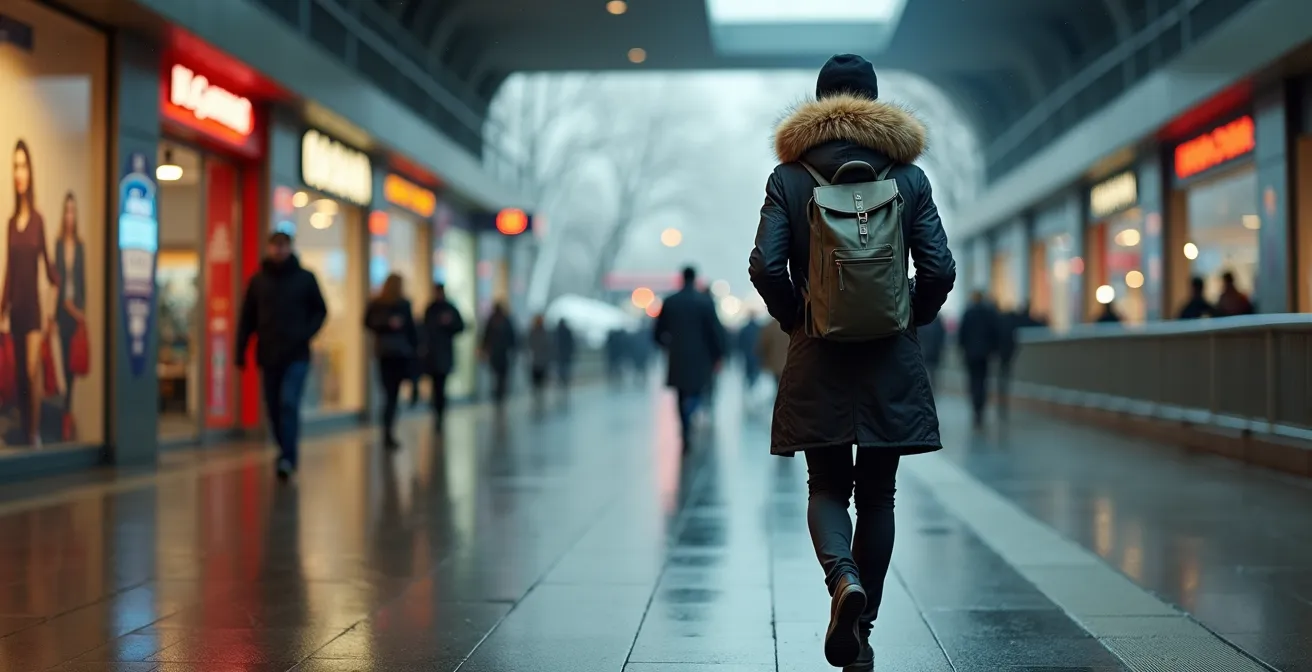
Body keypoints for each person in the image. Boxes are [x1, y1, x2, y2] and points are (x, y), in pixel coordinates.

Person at [748, 54, 955, 671]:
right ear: (874, 102)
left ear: (819, 104)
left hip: (819, 352)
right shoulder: (909, 177)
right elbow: (940, 268)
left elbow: (764, 265)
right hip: (890, 355)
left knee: (827, 485)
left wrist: (797, 319)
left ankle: (843, 582)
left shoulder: (789, 177)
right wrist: (908, 315)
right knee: (880, 495)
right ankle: (862, 626)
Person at [236, 231, 328, 480]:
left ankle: (288, 458)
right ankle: (283, 450)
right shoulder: (258, 281)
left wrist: (305, 333)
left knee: (288, 403)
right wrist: (240, 350)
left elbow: (320, 310)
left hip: (296, 354)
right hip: (269, 354)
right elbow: (247, 319)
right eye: (274, 246)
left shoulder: (305, 279)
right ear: (268, 248)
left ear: (290, 248)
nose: (279, 250)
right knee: (274, 407)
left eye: (283, 246)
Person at [2, 140, 59, 448]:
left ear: (30, 171)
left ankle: (34, 436)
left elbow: (52, 274)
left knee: (31, 369)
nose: (19, 172)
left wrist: (50, 314)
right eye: (15, 166)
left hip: (35, 312)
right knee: (18, 378)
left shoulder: (38, 220)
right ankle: (25, 433)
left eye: (23, 166)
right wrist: (1, 311)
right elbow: (9, 272)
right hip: (17, 311)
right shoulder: (11, 223)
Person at [654, 266, 725, 449]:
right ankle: (690, 414)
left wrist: (667, 346)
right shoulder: (704, 302)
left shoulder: (670, 302)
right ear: (695, 279)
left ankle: (684, 428)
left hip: (676, 356)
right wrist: (717, 355)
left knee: (680, 393)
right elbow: (714, 332)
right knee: (697, 390)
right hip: (700, 357)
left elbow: (657, 332)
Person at [364, 274, 419, 449]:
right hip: (391, 354)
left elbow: (411, 330)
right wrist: (388, 323)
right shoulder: (380, 304)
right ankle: (387, 431)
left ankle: (388, 430)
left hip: (393, 354)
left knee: (390, 395)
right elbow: (368, 323)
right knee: (390, 395)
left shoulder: (402, 304)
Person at [53, 192, 86, 439]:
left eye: (73, 211)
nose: (69, 217)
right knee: (62, 364)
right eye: (67, 211)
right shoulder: (57, 245)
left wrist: (81, 311)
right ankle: (63, 415)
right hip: (61, 313)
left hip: (76, 314)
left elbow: (82, 281)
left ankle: (68, 415)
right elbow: (56, 282)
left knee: (73, 365)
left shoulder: (81, 246)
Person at [421, 283, 465, 429]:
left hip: (444, 353)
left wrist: (449, 324)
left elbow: (460, 326)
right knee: (436, 385)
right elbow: (424, 329)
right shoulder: (431, 309)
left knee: (441, 385)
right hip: (432, 353)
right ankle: (436, 410)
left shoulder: (449, 309)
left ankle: (440, 413)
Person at [958, 291, 999, 428]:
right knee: (983, 380)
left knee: (973, 380)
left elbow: (961, 334)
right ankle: (980, 406)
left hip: (970, 354)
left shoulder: (968, 314)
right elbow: (995, 333)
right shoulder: (989, 314)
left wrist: (962, 349)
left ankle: (976, 406)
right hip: (984, 354)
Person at [479, 302, 517, 408]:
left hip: (502, 353)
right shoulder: (495, 321)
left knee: (501, 376)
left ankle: (500, 394)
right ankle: (498, 394)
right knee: (497, 375)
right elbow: (486, 336)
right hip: (496, 354)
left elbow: (512, 337)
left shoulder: (503, 321)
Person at [527, 315, 553, 408]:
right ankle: (538, 399)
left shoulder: (534, 332)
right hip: (539, 362)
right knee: (539, 383)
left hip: (537, 362)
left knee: (537, 383)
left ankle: (538, 399)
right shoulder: (543, 333)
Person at [918, 315, 946, 391]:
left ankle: (928, 387)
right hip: (932, 351)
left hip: (928, 351)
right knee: (931, 370)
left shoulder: (922, 321)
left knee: (928, 370)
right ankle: (930, 387)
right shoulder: (937, 321)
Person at [737, 312, 763, 392]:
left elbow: (740, 341)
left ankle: (750, 384)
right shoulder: (759, 328)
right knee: (755, 369)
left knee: (749, 369)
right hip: (756, 353)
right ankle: (753, 384)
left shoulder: (745, 328)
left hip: (747, 352)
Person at [555, 319, 576, 394]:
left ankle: (562, 382)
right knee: (565, 370)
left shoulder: (557, 332)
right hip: (565, 355)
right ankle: (565, 383)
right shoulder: (567, 331)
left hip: (561, 355)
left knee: (561, 370)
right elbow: (572, 344)